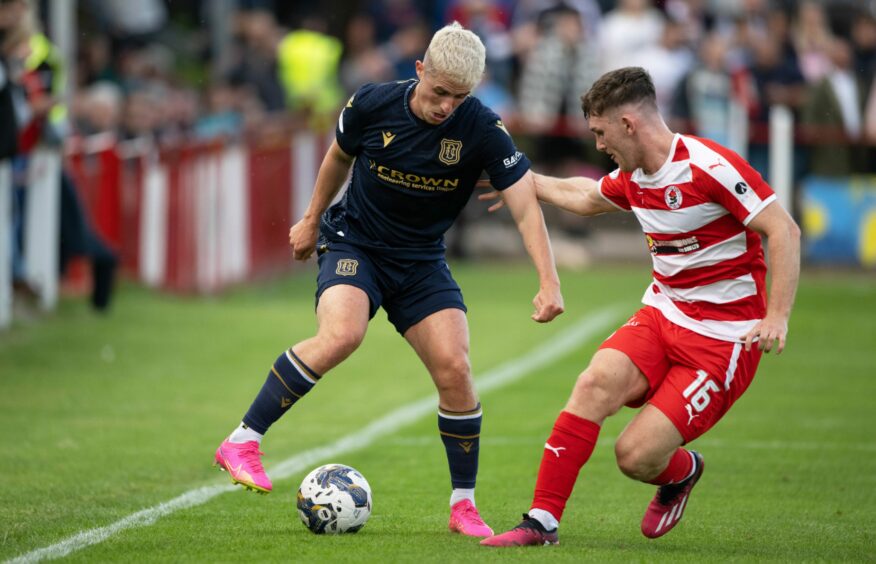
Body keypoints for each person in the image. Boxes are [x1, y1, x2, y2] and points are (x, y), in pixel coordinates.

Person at [214, 21, 564, 537]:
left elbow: (525, 207)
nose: (447, 106)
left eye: (459, 97)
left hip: (421, 260)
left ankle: (463, 506)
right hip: (355, 242)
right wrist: (311, 219)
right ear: (419, 69)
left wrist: (549, 281)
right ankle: (242, 440)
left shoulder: (483, 129)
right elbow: (338, 155)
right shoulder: (372, 103)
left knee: (456, 368)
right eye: (439, 91)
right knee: (342, 335)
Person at [479, 66, 800, 547]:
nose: (599, 146)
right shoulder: (635, 176)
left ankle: (681, 472)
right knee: (593, 383)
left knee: (635, 456)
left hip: (723, 341)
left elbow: (784, 229)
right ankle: (541, 523)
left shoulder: (708, 167)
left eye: (601, 133)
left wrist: (776, 316)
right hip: (662, 314)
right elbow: (586, 195)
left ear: (628, 125)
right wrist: (518, 180)